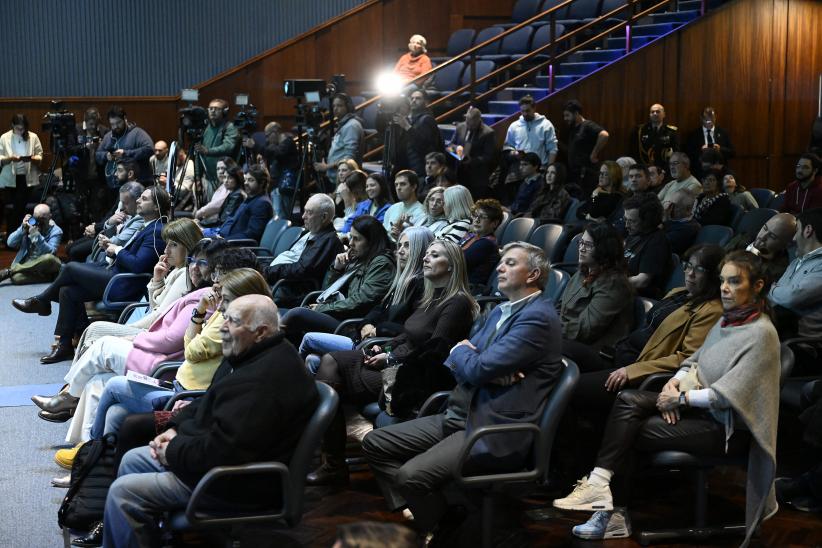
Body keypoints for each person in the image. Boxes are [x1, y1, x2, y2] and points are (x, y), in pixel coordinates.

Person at [554, 251, 780, 547]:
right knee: (627, 400)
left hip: (727, 429)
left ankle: (614, 513)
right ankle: (599, 486)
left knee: (631, 425)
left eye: (734, 281)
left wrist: (681, 400)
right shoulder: (729, 321)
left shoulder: (761, 333)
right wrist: (672, 385)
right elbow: (692, 362)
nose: (725, 288)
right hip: (699, 411)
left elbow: (728, 395)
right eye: (723, 280)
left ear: (758, 285)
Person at [362, 242, 563, 536]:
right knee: (375, 443)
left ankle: (446, 528)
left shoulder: (538, 318)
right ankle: (445, 515)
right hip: (460, 413)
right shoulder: (500, 311)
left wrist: (473, 361)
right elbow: (457, 359)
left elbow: (473, 365)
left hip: (492, 426)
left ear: (532, 274)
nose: (499, 267)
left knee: (411, 476)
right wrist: (475, 362)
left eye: (510, 263)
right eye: (501, 262)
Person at [101, 295, 319, 548]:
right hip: (213, 463)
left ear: (260, 332)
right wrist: (173, 428)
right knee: (132, 460)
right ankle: (154, 537)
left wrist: (172, 450)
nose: (223, 327)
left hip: (235, 485)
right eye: (224, 317)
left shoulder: (262, 381)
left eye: (233, 322)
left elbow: (223, 452)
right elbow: (206, 402)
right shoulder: (251, 354)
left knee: (123, 493)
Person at [308, 239, 477, 484]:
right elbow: (406, 335)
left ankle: (333, 459)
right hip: (396, 362)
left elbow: (435, 351)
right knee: (329, 362)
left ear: (451, 266)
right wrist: (384, 347)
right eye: (426, 254)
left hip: (413, 374)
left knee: (331, 376)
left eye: (435, 255)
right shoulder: (431, 297)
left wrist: (389, 357)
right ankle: (335, 454)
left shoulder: (457, 303)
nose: (425, 258)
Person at [566, 244, 725, 464]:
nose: (690, 273)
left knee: (571, 388)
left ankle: (573, 464)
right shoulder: (678, 293)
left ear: (714, 276)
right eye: (688, 266)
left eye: (699, 270)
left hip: (640, 373)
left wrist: (632, 370)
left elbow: (686, 358)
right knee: (563, 352)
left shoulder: (711, 310)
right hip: (621, 356)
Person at [11, 186, 169, 363]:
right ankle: (65, 346)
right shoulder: (149, 226)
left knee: (69, 267)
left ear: (157, 207)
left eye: (145, 199)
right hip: (114, 273)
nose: (139, 200)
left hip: (122, 284)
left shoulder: (156, 230)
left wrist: (116, 249)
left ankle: (41, 301)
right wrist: (112, 249)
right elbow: (133, 257)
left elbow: (138, 265)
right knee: (67, 291)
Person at [299, 226, 434, 374]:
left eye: (407, 246)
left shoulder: (421, 285)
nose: (400, 250)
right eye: (400, 245)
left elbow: (410, 329)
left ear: (421, 250)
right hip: (363, 337)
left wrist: (378, 329)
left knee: (307, 335)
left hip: (379, 345)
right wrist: (367, 323)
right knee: (313, 359)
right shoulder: (401, 280)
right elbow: (378, 309)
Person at [281, 215, 395, 345]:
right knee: (290, 318)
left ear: (371, 242)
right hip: (339, 313)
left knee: (297, 314)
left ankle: (267, 343)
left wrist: (322, 308)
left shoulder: (381, 263)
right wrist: (336, 269)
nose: (350, 243)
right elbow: (326, 292)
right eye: (351, 237)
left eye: (356, 239)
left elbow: (360, 301)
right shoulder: (359, 258)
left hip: (352, 324)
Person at [560, 223, 634, 359]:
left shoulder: (614, 284)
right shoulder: (583, 272)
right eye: (581, 243)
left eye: (588, 245)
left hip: (594, 350)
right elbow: (560, 307)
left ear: (604, 249)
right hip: (566, 337)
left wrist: (550, 329)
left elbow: (585, 331)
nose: (581, 248)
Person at [263, 193, 343, 290]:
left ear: (324, 217)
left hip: (287, 288)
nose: (303, 216)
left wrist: (267, 271)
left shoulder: (329, 241)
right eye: (304, 211)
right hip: (276, 279)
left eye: (309, 212)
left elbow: (301, 270)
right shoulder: (308, 232)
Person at [769, 208, 822, 339]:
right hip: (778, 328)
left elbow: (792, 297)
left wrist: (772, 288)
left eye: (797, 230)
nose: (793, 238)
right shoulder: (796, 261)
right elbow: (779, 297)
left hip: (802, 342)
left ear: (808, 230)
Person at [243, 121, 299, 220]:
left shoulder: (288, 142)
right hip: (277, 185)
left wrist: (255, 146)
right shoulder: (275, 144)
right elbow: (270, 152)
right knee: (277, 213)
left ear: (275, 132)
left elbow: (277, 153)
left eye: (268, 135)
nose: (267, 139)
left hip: (285, 185)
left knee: (281, 216)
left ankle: (283, 234)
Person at [202, 164, 272, 242]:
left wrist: (224, 241)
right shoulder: (251, 199)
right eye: (246, 180)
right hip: (227, 238)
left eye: (251, 180)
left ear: (262, 183)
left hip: (238, 246)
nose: (246, 183)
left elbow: (252, 234)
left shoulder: (262, 203)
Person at [86, 175, 146, 265]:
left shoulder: (140, 219)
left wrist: (105, 239)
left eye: (125, 203)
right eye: (121, 202)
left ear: (137, 201)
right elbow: (110, 235)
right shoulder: (124, 208)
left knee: (72, 265)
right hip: (109, 254)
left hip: (117, 262)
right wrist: (110, 222)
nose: (121, 207)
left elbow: (118, 242)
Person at [0, 114, 43, 232]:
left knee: (20, 208)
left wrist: (32, 158)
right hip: (10, 179)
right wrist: (10, 158)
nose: (21, 131)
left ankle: (15, 236)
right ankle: (13, 235)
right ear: (13, 125)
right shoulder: (5, 137)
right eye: (19, 128)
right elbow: (0, 157)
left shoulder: (33, 137)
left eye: (23, 128)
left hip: (27, 178)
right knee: (15, 208)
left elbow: (40, 156)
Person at [623, 192, 671, 297]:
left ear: (647, 221)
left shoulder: (657, 242)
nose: (626, 225)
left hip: (637, 296)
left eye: (632, 221)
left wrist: (612, 283)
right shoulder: (634, 234)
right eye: (625, 219)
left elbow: (642, 281)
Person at [1, 203, 62, 285]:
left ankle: (12, 270)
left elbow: (51, 252)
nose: (39, 221)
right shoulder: (30, 224)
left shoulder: (56, 230)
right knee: (16, 278)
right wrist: (22, 229)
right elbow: (10, 243)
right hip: (29, 264)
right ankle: (50, 277)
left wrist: (36, 236)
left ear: (50, 216)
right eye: (37, 218)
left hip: (45, 264)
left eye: (43, 218)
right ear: (33, 215)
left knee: (49, 258)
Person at [95, 106, 154, 191]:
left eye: (118, 123)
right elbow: (97, 155)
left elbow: (149, 149)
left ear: (125, 119)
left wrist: (126, 153)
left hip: (137, 184)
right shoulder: (108, 136)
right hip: (113, 185)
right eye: (112, 124)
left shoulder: (137, 133)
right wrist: (106, 156)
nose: (115, 127)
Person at [193, 98, 240, 200]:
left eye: (217, 109)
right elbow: (198, 153)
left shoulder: (229, 127)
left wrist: (208, 151)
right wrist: (197, 176)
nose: (213, 111)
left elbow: (228, 147)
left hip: (225, 178)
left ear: (224, 111)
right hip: (208, 178)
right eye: (211, 108)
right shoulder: (205, 128)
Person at [314, 93, 364, 187]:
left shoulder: (351, 126)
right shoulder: (345, 124)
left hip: (345, 180)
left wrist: (326, 167)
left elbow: (349, 158)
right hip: (338, 179)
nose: (335, 109)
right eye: (334, 106)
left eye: (339, 105)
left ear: (348, 107)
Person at [448, 106, 497, 199]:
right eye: (467, 121)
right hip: (459, 172)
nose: (468, 125)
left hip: (477, 176)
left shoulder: (488, 133)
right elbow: (450, 145)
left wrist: (472, 161)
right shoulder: (461, 127)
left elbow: (489, 156)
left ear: (478, 120)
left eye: (471, 123)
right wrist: (457, 150)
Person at [394, 90, 444, 178]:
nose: (413, 100)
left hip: (421, 168)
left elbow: (424, 145)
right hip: (410, 166)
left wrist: (407, 127)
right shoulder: (411, 119)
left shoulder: (427, 119)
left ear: (426, 102)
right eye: (412, 98)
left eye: (418, 98)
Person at [563, 100, 609, 196]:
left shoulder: (587, 125)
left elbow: (604, 135)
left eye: (567, 115)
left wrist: (594, 153)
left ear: (576, 113)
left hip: (586, 174)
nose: (565, 118)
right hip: (575, 174)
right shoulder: (573, 127)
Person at [503, 95, 558, 167]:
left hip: (540, 169)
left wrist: (549, 168)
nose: (525, 114)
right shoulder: (514, 126)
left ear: (534, 108)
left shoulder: (545, 125)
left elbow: (552, 149)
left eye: (527, 111)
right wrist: (515, 153)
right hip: (520, 169)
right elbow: (508, 147)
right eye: (522, 111)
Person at [460, 199, 503, 288]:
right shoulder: (471, 236)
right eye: (475, 216)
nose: (477, 220)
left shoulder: (486, 244)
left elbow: (457, 261)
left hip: (466, 289)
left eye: (483, 217)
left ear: (494, 223)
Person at [685, 106, 734, 178]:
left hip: (719, 172)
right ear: (701, 119)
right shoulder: (694, 135)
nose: (709, 121)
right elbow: (688, 154)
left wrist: (720, 149)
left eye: (712, 118)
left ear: (715, 118)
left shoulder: (723, 133)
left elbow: (732, 152)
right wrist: (701, 150)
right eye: (707, 119)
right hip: (700, 172)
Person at [193, 159, 244, 227]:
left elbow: (217, 206)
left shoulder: (234, 191)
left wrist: (199, 213)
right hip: (212, 223)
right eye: (218, 169)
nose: (220, 171)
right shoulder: (224, 186)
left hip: (217, 225)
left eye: (223, 168)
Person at [631, 103, 679, 168]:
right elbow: (635, 151)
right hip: (645, 168)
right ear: (649, 115)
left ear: (664, 114)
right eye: (652, 112)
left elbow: (676, 152)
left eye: (658, 112)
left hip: (663, 168)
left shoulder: (670, 131)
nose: (655, 114)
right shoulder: (641, 130)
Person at [383, 170, 426, 240]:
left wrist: (400, 236)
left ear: (414, 187)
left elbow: (417, 241)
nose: (398, 188)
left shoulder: (422, 213)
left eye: (403, 184)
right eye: (396, 185)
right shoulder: (392, 208)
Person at [662, 190, 700, 255]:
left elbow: (659, 242)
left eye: (675, 206)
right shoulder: (673, 220)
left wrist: (664, 221)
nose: (670, 208)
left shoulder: (689, 228)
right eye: (670, 204)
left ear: (688, 210)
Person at [335, 167, 368, 232]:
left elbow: (349, 226)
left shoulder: (366, 204)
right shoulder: (357, 202)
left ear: (359, 189)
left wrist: (347, 201)